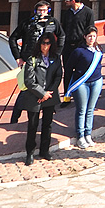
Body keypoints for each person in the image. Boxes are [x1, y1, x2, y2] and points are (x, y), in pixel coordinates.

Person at [19, 32, 62, 165]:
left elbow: (58, 76)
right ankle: (30, 153)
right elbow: (29, 81)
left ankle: (44, 150)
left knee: (47, 124)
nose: (45, 46)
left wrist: (48, 93)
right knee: (32, 125)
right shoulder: (33, 59)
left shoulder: (55, 58)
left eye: (48, 43)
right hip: (34, 96)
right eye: (43, 43)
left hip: (49, 96)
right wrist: (41, 93)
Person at [65, 26, 103, 149]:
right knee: (82, 109)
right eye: (89, 36)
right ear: (85, 37)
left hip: (96, 81)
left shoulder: (98, 49)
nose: (92, 38)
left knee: (91, 109)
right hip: (82, 83)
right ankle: (80, 135)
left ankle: (88, 134)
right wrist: (68, 88)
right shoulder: (78, 51)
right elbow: (69, 68)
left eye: (94, 36)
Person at [60, 0, 95, 96]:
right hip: (68, 47)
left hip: (81, 47)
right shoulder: (67, 13)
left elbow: (91, 29)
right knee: (68, 71)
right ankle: (67, 95)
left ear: (73, 1)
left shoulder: (88, 12)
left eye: (67, 0)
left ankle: (81, 95)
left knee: (82, 71)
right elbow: (64, 29)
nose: (65, 2)